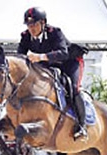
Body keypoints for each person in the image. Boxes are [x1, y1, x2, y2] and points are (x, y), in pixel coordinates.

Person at [17, 7, 88, 141]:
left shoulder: (55, 32)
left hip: (70, 62)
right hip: (49, 65)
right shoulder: (25, 36)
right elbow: (20, 56)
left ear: (43, 23)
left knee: (74, 88)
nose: (31, 28)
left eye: (34, 24)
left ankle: (81, 126)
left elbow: (63, 53)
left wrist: (40, 57)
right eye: (29, 25)